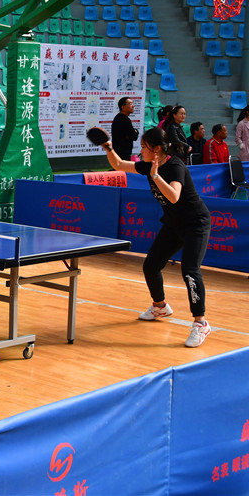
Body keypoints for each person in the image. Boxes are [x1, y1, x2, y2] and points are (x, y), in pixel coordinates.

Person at [97, 126, 212, 347]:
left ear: (157, 149)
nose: (140, 151)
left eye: (144, 147)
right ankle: (160, 306)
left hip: (195, 224)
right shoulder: (149, 165)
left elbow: (174, 196)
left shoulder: (175, 166)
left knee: (190, 271)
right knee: (151, 266)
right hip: (174, 224)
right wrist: (108, 147)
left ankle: (201, 323)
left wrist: (156, 176)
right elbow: (119, 165)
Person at [110, 96, 139, 161]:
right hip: (123, 152)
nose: (133, 106)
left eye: (133, 103)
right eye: (130, 104)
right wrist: (136, 131)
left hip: (120, 151)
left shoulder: (119, 117)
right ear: (123, 107)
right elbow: (134, 136)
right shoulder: (124, 119)